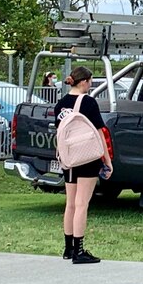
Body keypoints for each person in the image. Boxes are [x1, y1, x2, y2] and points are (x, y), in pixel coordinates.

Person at [54, 66, 114, 264]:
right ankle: (79, 251)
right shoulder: (88, 103)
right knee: (82, 204)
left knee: (70, 203)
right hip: (87, 157)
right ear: (84, 82)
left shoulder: (60, 105)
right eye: (89, 81)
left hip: (68, 157)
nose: (90, 84)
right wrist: (107, 159)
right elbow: (99, 132)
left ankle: (68, 248)